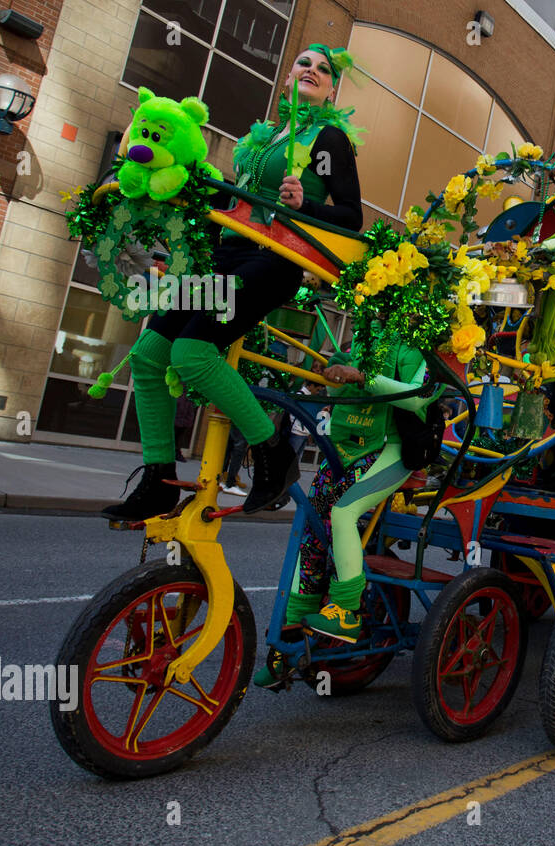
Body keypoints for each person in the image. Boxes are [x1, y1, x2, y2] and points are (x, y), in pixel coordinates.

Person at [102, 44, 364, 521]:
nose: (313, 71)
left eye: (324, 71)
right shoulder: (262, 137)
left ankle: (274, 452)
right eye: (305, 63)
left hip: (274, 259)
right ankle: (159, 479)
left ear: (330, 90)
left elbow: (352, 217)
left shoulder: (328, 140)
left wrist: (306, 204)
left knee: (192, 353)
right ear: (289, 76)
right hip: (226, 254)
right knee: (148, 355)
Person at [255, 342, 441, 687]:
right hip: (345, 445)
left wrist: (361, 376)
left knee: (342, 514)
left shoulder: (423, 341)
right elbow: (343, 384)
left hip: (393, 449)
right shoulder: (367, 334)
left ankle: (346, 611)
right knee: (311, 529)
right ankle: (291, 638)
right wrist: (334, 372)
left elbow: (417, 397)